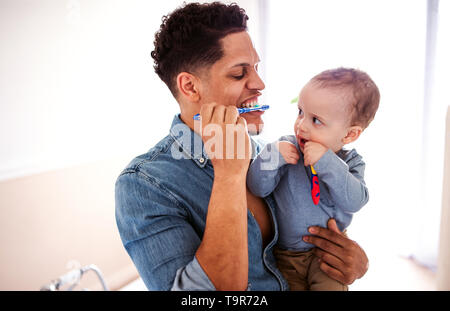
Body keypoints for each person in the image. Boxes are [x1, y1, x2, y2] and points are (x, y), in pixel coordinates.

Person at [115, 2, 369, 291]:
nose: (260, 83)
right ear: (190, 87)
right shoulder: (143, 185)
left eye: (257, 68)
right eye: (239, 73)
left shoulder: (271, 153)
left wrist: (353, 261)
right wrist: (229, 174)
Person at [246, 68, 380, 290]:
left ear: (349, 135)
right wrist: (272, 156)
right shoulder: (286, 148)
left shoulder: (351, 163)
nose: (302, 125)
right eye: (300, 112)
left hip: (329, 256)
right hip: (286, 257)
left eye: (316, 120)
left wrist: (326, 161)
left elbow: (355, 201)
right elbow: (257, 188)